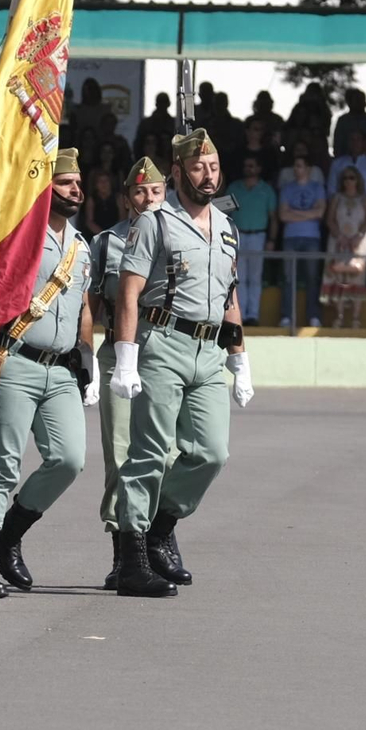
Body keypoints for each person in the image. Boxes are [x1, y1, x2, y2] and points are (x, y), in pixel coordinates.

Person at [109, 129, 254, 597]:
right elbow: (128, 293)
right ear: (177, 173)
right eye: (197, 168)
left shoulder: (227, 226)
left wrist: (240, 357)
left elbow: (229, 295)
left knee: (211, 453)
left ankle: (160, 527)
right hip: (163, 343)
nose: (208, 176)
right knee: (149, 453)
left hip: (210, 351)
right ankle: (132, 558)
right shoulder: (155, 222)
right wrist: (126, 358)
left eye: (212, 167)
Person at [0, 149, 99, 599]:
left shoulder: (81, 246)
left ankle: (9, 537)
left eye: (78, 182)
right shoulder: (18, 235)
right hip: (17, 360)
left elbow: (83, 308)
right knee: (2, 463)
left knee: (69, 459)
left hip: (62, 369)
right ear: (44, 188)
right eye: (64, 182)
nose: (75, 189)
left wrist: (88, 359)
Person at [88, 158, 168, 589]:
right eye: (139, 192)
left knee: (165, 451)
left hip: (165, 355)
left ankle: (158, 540)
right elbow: (94, 306)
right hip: (119, 354)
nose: (148, 199)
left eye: (155, 191)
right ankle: (124, 553)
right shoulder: (106, 243)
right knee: (120, 455)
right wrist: (87, 363)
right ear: (126, 199)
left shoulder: (180, 235)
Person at [225, 152, 277, 326]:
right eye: (246, 165)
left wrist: (271, 239)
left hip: (258, 235)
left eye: (252, 165)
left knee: (255, 278)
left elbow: (273, 217)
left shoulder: (266, 190)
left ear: (259, 168)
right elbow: (224, 215)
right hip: (237, 236)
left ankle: (252, 315)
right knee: (239, 278)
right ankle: (240, 315)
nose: (249, 169)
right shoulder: (234, 188)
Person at [277, 155, 327, 328]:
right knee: (288, 278)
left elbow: (320, 213)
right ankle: (287, 317)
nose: (297, 170)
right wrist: (309, 214)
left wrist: (294, 212)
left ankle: (314, 316)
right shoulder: (287, 188)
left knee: (312, 278)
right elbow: (283, 215)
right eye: (295, 166)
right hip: (290, 237)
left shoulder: (318, 187)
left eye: (300, 166)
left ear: (308, 169)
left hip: (312, 237)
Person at [322, 166, 366, 329]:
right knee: (338, 277)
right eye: (345, 178)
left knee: (357, 277)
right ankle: (340, 316)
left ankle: (356, 318)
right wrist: (340, 236)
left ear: (358, 180)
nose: (348, 181)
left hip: (358, 241)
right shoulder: (337, 198)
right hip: (338, 240)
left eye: (352, 178)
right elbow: (329, 219)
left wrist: (358, 236)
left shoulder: (364, 199)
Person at [81, 168, 120, 238]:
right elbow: (89, 221)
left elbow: (123, 218)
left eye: (106, 181)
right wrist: (103, 234)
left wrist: (113, 234)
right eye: (100, 181)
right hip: (97, 235)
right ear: (95, 185)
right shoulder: (91, 199)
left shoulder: (118, 198)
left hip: (116, 234)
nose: (103, 184)